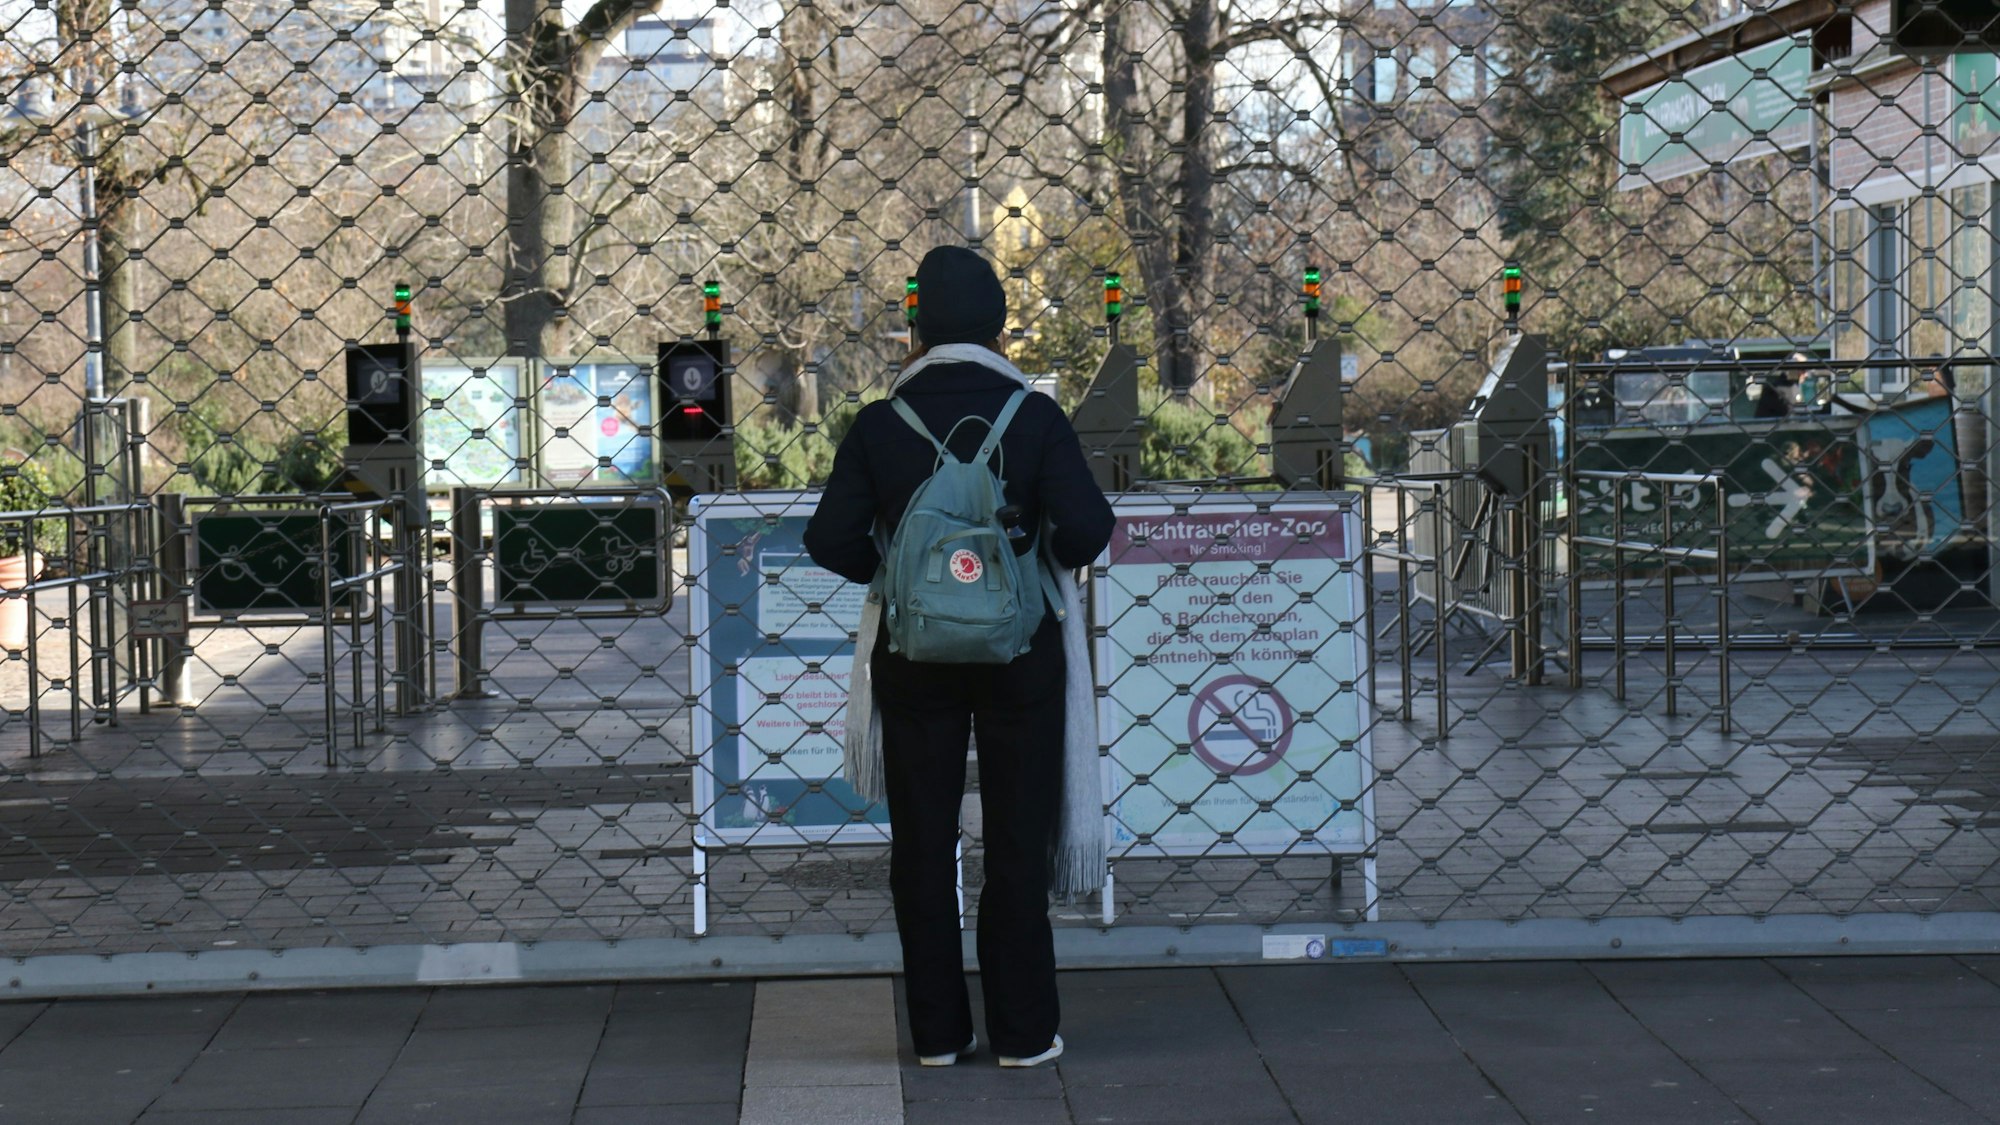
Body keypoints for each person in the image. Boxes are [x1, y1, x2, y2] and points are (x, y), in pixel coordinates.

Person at [804, 246, 1114, 1070]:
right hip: (1022, 659)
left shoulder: (878, 423)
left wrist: (903, 581)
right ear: (998, 326)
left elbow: (827, 536)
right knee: (1016, 838)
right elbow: (1088, 531)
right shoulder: (1035, 417)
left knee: (922, 841)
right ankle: (1023, 1031)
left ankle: (939, 1033)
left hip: (915, 658)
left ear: (918, 328)